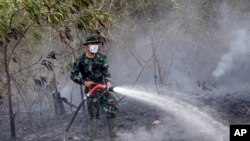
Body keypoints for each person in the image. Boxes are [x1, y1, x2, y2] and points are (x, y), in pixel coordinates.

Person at [70, 35, 118, 141]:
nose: (95, 46)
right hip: (91, 92)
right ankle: (93, 139)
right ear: (86, 46)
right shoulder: (80, 61)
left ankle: (114, 138)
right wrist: (84, 82)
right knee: (94, 115)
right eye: (92, 44)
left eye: (96, 44)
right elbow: (73, 76)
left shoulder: (101, 58)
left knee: (112, 110)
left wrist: (108, 82)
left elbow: (106, 72)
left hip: (103, 89)